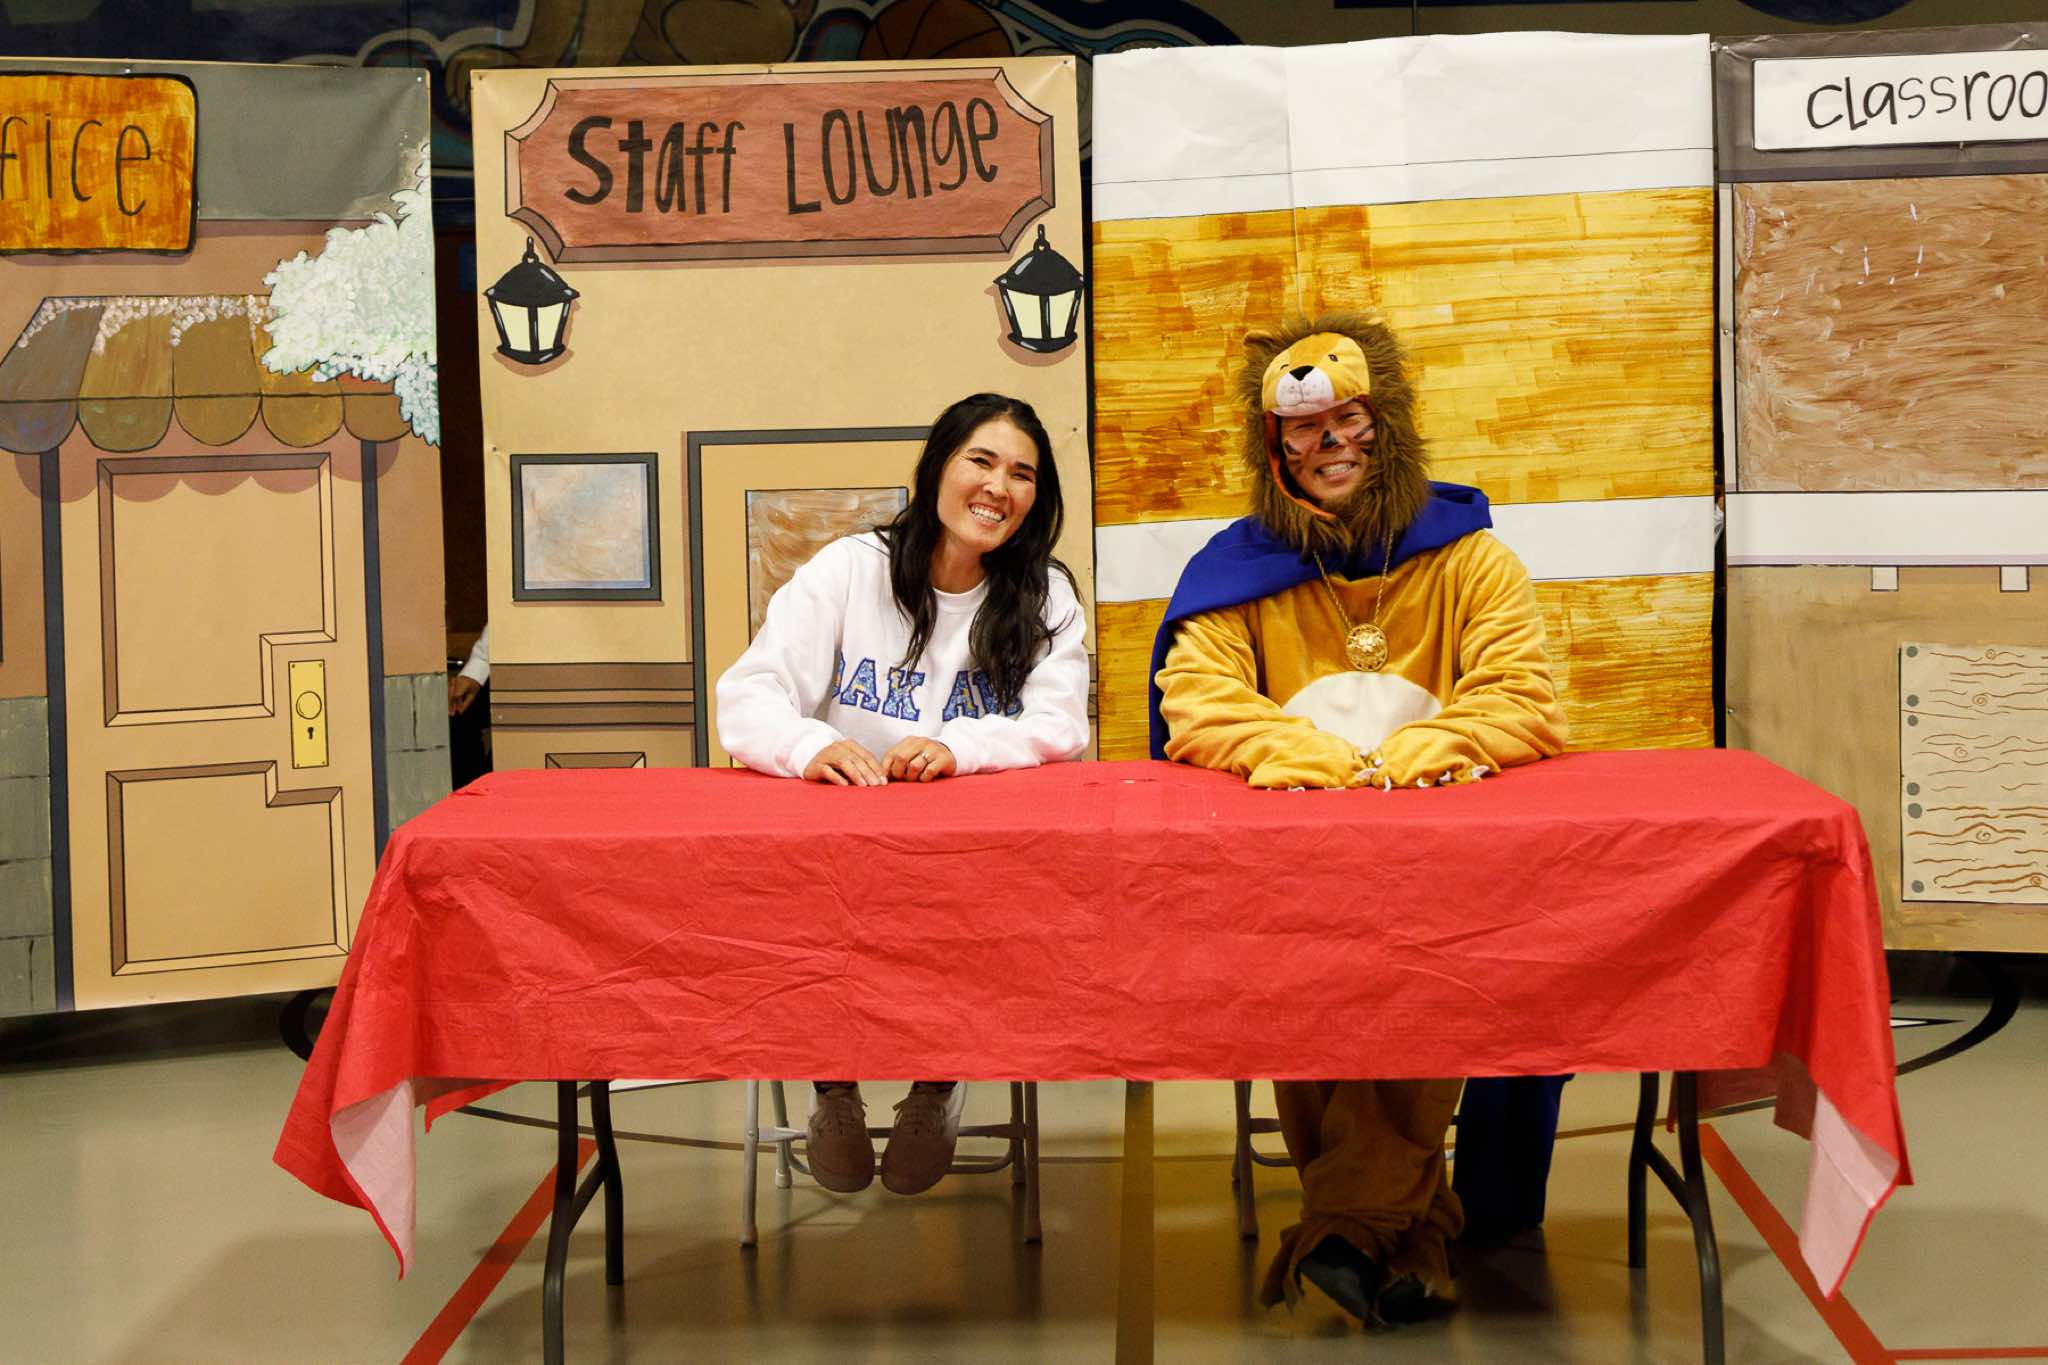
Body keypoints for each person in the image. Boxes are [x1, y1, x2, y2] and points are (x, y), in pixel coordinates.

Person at [1148, 314, 1569, 1326]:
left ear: (1387, 425)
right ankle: (1411, 1235)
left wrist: (1405, 764)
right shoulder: (1236, 571)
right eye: (1304, 428)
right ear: (1274, 445)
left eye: (1349, 419)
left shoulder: (1470, 560)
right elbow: (1196, 700)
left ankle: (1343, 1226)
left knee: (1431, 976)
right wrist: (1327, 763)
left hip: (1447, 874)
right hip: (1292, 876)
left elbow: (1520, 697)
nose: (1329, 443)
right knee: (1306, 980)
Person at [716, 391, 1090, 1195]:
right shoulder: (850, 569)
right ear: (937, 468)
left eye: (1022, 474)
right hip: (840, 861)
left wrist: (961, 746)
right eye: (981, 461)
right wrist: (811, 746)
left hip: (966, 868)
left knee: (968, 914)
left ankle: (936, 1082)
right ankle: (832, 1086)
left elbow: (1060, 725)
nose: (999, 487)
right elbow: (747, 694)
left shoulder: (1046, 594)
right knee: (799, 909)